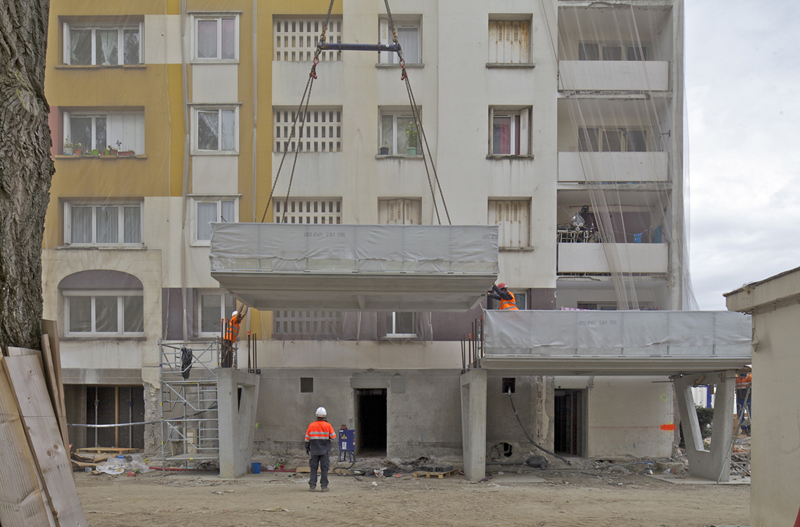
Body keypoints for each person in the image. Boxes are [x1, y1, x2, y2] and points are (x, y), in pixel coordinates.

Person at [305, 406, 336, 492]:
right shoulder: (328, 425)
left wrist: (307, 447)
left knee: (313, 468)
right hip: (324, 450)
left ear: (316, 415)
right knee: (324, 468)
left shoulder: (311, 425)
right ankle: (324, 486)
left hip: (314, 450)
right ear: (325, 415)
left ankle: (312, 486)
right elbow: (333, 436)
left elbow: (307, 438)